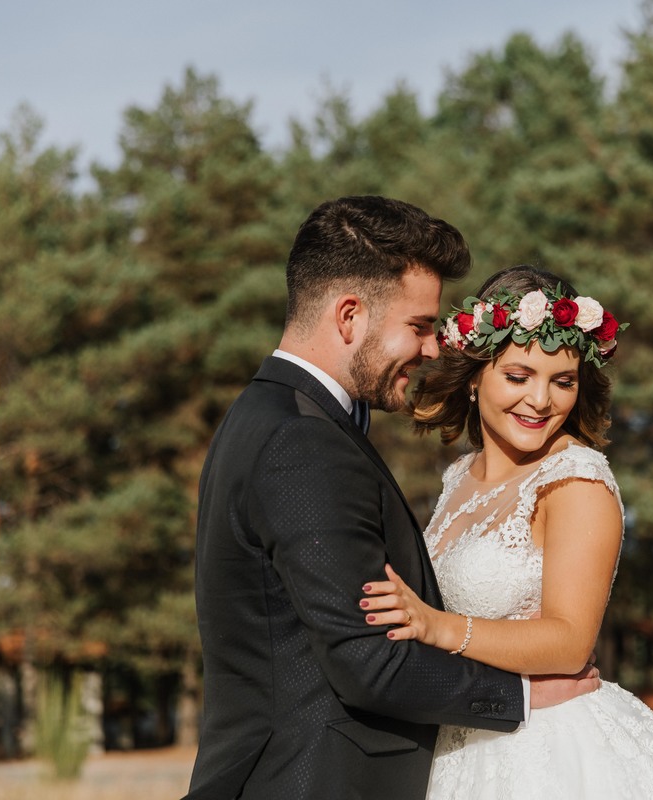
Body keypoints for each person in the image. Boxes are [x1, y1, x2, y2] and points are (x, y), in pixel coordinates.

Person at [183, 198, 598, 800]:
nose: (433, 349)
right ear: (349, 315)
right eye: (420, 326)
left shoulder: (263, 413)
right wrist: (523, 696)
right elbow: (368, 662)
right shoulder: (303, 441)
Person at [360, 264, 653, 798]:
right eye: (518, 377)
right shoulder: (459, 476)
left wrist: (437, 627)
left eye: (563, 381)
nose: (540, 400)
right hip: (461, 739)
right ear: (473, 378)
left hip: (550, 751)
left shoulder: (577, 480)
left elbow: (570, 642)